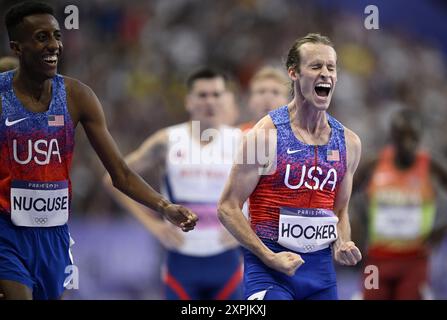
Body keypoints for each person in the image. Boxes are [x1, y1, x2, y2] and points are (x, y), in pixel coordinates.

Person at [0, 1, 197, 300]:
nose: (53, 45)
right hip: (6, 232)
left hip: (53, 237)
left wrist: (163, 206)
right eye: (41, 37)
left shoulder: (77, 96)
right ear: (17, 47)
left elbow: (119, 173)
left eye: (57, 36)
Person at [218, 33, 362, 300]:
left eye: (331, 67)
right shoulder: (265, 135)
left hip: (320, 276)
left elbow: (340, 209)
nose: (325, 74)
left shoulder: (349, 143)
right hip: (269, 270)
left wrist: (342, 241)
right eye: (316, 66)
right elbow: (227, 207)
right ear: (294, 73)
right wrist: (269, 257)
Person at [105, 68, 243, 300]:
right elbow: (114, 179)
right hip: (181, 261)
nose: (210, 101)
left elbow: (269, 191)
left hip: (226, 260)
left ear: (224, 99)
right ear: (188, 101)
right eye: (202, 95)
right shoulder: (167, 140)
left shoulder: (241, 141)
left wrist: (247, 223)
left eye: (216, 94)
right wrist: (153, 226)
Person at [353, 108, 447, 300]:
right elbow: (344, 196)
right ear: (392, 137)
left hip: (415, 260)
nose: (408, 144)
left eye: (413, 138)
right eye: (402, 137)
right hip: (376, 259)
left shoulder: (430, 166)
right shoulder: (374, 164)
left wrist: (441, 228)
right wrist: (357, 226)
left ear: (420, 137)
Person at [239, 66, 289, 132]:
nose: (267, 98)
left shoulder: (298, 137)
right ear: (250, 100)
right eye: (261, 91)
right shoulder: (237, 135)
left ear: (287, 102)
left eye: (275, 92)